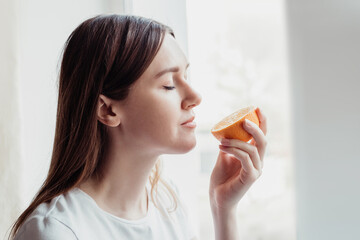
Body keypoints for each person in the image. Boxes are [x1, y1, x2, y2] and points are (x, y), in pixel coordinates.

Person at [10, 14, 267, 240]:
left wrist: (223, 208)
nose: (195, 97)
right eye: (169, 84)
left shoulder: (167, 203)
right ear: (107, 110)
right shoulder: (56, 231)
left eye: (185, 77)